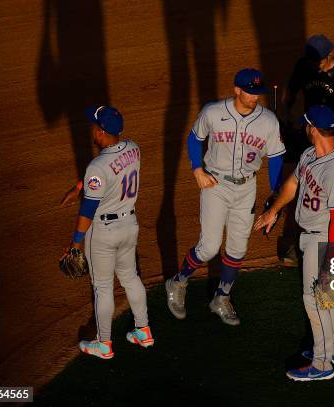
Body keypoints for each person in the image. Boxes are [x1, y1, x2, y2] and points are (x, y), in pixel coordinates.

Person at [165, 68, 286, 326]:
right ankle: (178, 282)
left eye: (258, 93)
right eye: (250, 93)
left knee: (238, 249)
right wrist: (197, 169)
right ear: (237, 90)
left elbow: (276, 157)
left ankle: (221, 298)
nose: (254, 98)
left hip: (246, 189)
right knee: (208, 247)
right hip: (215, 184)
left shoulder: (269, 121)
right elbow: (194, 139)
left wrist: (275, 195)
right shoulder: (213, 112)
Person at [255, 105, 334, 381]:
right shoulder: (310, 155)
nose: (304, 129)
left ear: (314, 129)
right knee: (328, 297)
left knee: (315, 300)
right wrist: (273, 210)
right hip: (314, 236)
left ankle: (322, 365)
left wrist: (330, 265)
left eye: (306, 125)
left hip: (326, 240)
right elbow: (292, 184)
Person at [60, 105, 153, 359]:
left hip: (103, 231)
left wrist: (76, 244)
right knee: (130, 277)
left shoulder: (97, 166)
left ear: (101, 132)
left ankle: (104, 344)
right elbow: (110, 171)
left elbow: (87, 212)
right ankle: (143, 331)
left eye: (94, 126)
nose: (91, 129)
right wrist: (79, 186)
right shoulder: (133, 148)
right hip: (129, 225)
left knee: (102, 287)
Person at [278, 33, 334, 265]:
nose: (314, 65)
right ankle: (295, 245)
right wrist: (287, 115)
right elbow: (291, 91)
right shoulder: (305, 66)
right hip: (310, 135)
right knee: (304, 189)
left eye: (319, 61)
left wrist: (329, 124)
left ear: (330, 55)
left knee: (332, 193)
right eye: (310, 61)